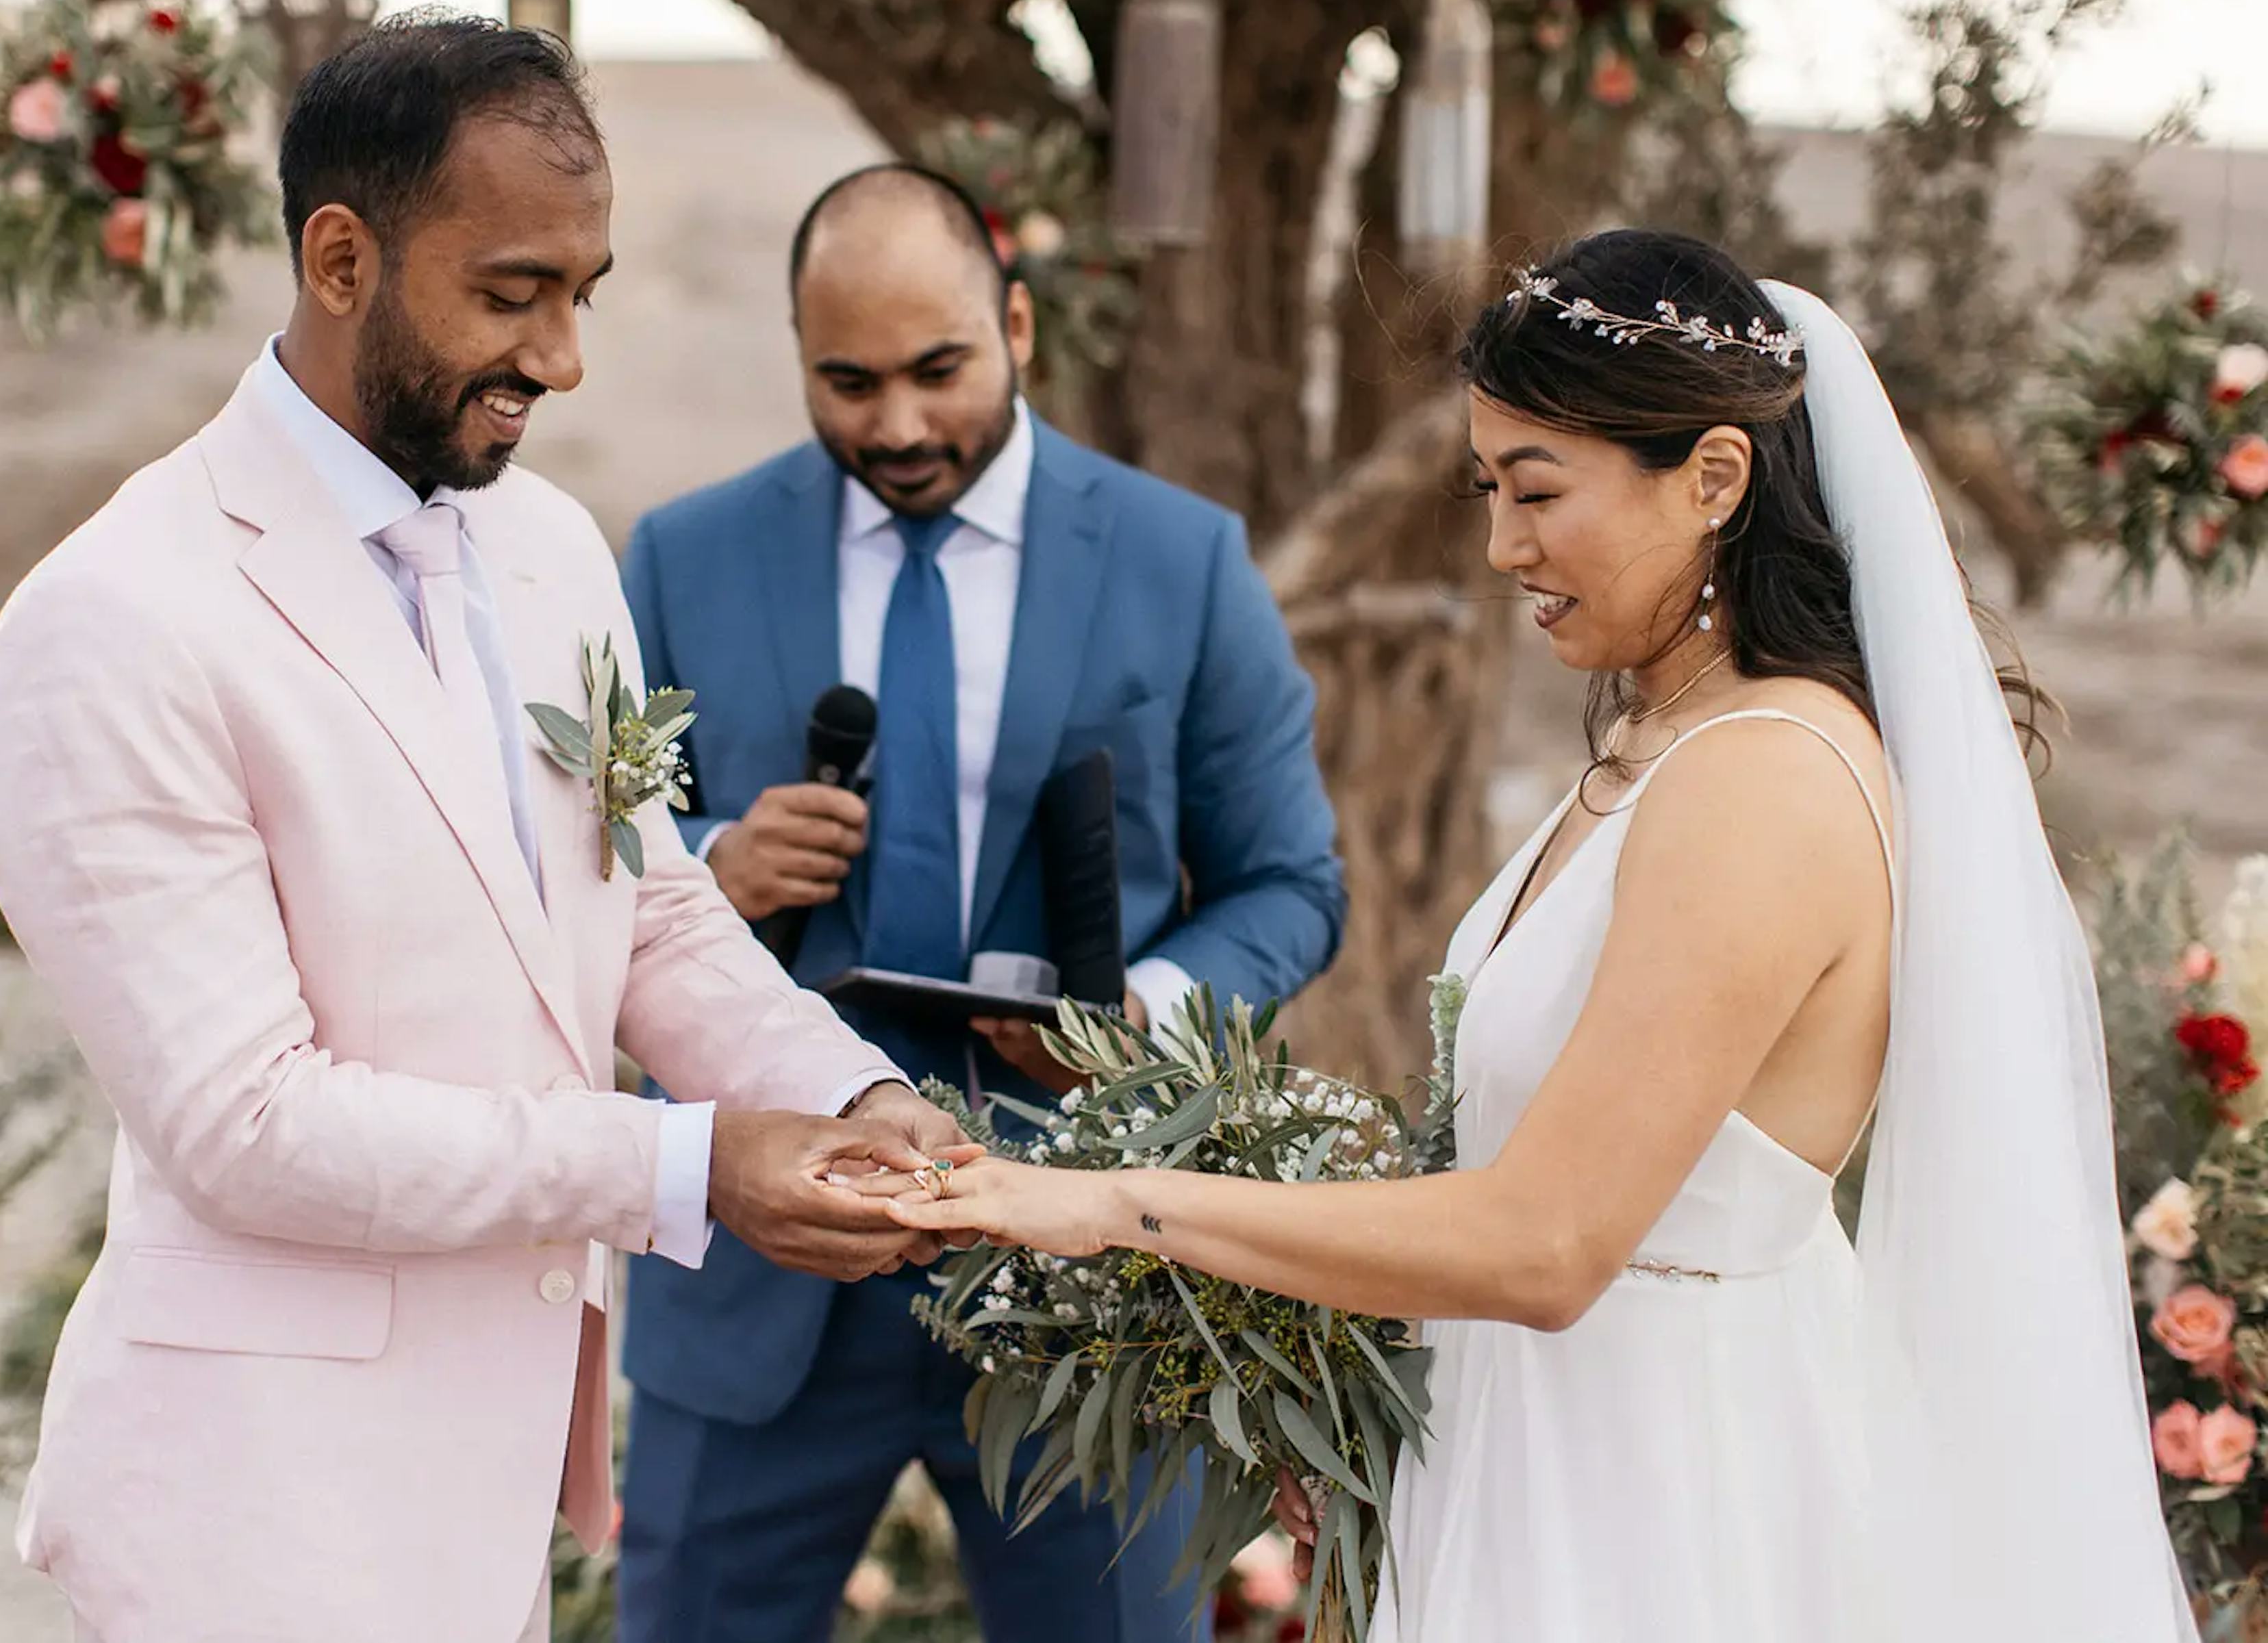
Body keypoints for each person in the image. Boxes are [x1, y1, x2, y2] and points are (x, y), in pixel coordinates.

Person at [881, 229, 2195, 1641]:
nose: (1503, 545)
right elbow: (1521, 1151)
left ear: (1712, 479)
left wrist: (1115, 1203)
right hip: (1528, 1429)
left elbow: (1554, 1238)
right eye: (1489, 489)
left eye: (1539, 492)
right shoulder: (1659, 736)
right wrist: (1346, 1366)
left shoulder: (1761, 780)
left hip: (1657, 1487)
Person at [0, 18, 968, 1643]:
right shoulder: (115, 618)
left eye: (585, 293)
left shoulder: (554, 548)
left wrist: (840, 1089)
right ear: (341, 258)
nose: (565, 357)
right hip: (254, 1505)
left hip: (487, 1483)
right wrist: (688, 1165)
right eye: (513, 294)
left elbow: (643, 911)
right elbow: (246, 1125)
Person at [614, 164, 1346, 1642]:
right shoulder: (682, 557)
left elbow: (1289, 885)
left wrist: (1134, 1019)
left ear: (1018, 323)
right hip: (769, 1269)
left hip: (1082, 1265)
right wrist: (711, 868)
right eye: (849, 382)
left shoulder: (1182, 559)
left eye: (939, 371)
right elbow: (582, 863)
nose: (895, 426)